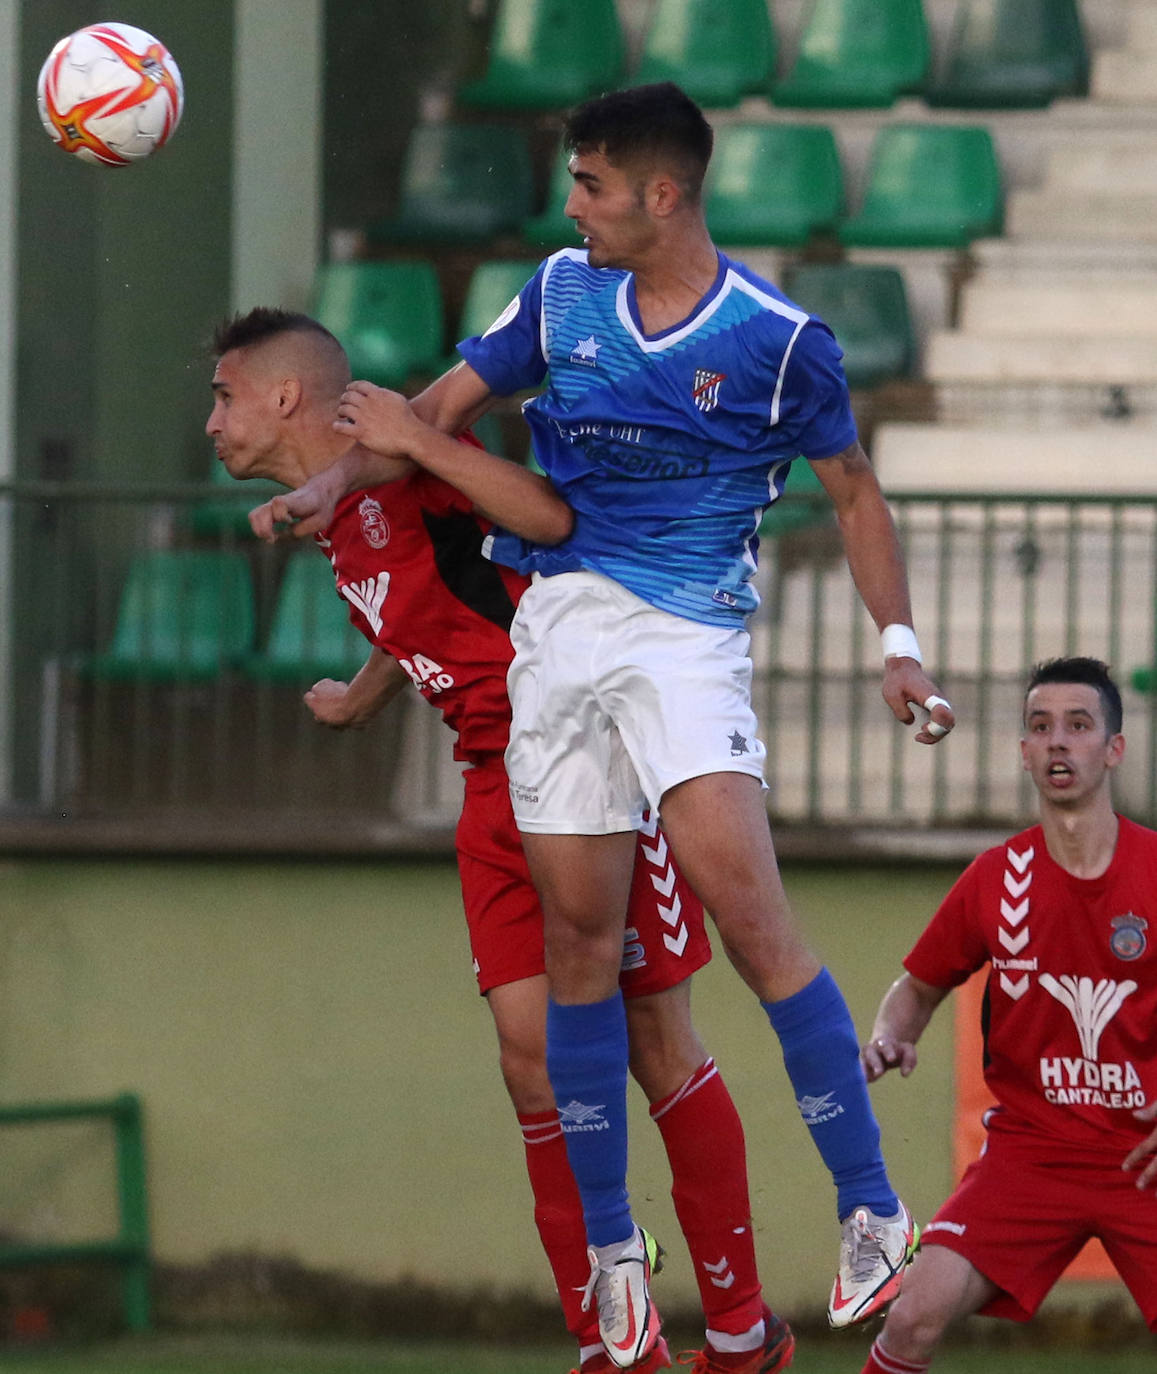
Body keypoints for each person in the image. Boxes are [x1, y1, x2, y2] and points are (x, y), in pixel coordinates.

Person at [263, 83, 956, 1367]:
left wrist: (897, 648)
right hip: (555, 640)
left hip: (682, 641)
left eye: (587, 184)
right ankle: (612, 1250)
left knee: (751, 919)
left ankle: (868, 1210)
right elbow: (436, 414)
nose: (569, 203)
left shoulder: (775, 339)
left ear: (661, 195)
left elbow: (853, 496)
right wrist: (333, 473)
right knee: (579, 949)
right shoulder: (558, 294)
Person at [208, 307, 796, 1374]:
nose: (211, 422)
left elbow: (539, 521)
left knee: (656, 1045)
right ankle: (613, 1345)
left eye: (221, 396)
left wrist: (419, 447)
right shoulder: (338, 515)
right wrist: (366, 691)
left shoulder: (398, 448)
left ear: (284, 396)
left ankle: (745, 1329)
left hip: (590, 764)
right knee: (532, 1070)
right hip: (492, 789)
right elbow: (446, 607)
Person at [858, 656, 1157, 1374]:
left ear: (1112, 748)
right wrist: (890, 1034)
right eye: (1039, 727)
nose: (1057, 742)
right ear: (1024, 752)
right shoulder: (996, 878)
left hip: (1143, 1160)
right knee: (912, 1316)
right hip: (1030, 1156)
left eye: (1078, 726)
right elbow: (917, 987)